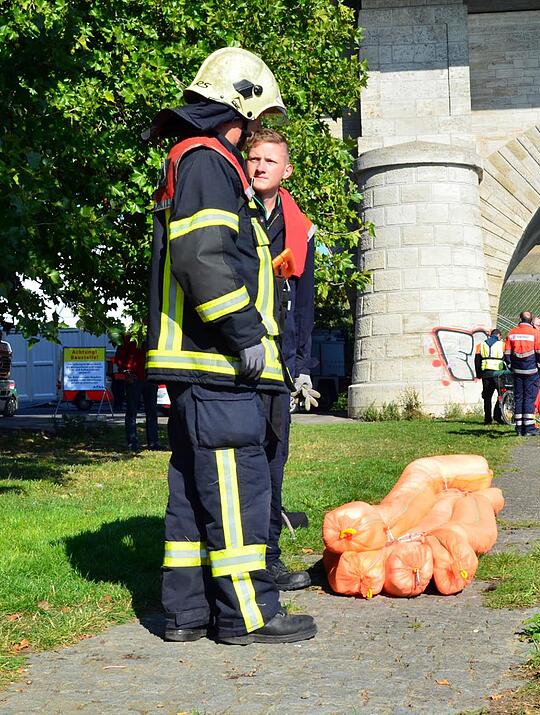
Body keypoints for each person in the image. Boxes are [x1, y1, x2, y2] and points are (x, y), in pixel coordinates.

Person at [142, 47, 316, 645]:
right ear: (236, 107)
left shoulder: (190, 159)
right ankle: (248, 616)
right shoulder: (210, 162)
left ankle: (186, 614)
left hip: (195, 364)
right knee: (240, 487)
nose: (249, 140)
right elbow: (203, 257)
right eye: (250, 121)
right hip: (216, 363)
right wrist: (244, 333)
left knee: (193, 491)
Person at [245, 128, 317, 591]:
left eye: (270, 160)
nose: (260, 166)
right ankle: (241, 556)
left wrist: (303, 366)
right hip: (242, 355)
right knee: (243, 460)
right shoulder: (234, 212)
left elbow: (304, 303)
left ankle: (269, 556)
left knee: (274, 461)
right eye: (254, 158)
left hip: (281, 363)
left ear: (286, 170)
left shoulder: (298, 227)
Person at [503, 311, 540, 436]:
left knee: (518, 398)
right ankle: (529, 428)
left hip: (517, 372)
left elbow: (507, 354)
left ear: (520, 319)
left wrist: (511, 367)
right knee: (529, 398)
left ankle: (519, 427)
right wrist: (539, 368)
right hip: (531, 371)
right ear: (531, 321)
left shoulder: (511, 333)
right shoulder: (535, 333)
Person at [114, 333, 160, 451]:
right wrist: (125, 372)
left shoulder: (154, 334)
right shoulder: (129, 335)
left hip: (150, 377)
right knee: (132, 411)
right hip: (134, 378)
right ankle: (132, 442)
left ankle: (153, 442)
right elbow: (119, 356)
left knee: (152, 411)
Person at [475, 328, 504, 424]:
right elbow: (507, 358)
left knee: (487, 397)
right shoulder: (503, 345)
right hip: (498, 374)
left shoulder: (480, 345)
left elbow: (477, 361)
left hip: (486, 374)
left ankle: (487, 419)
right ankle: (497, 415)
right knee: (501, 395)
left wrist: (479, 374)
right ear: (499, 335)